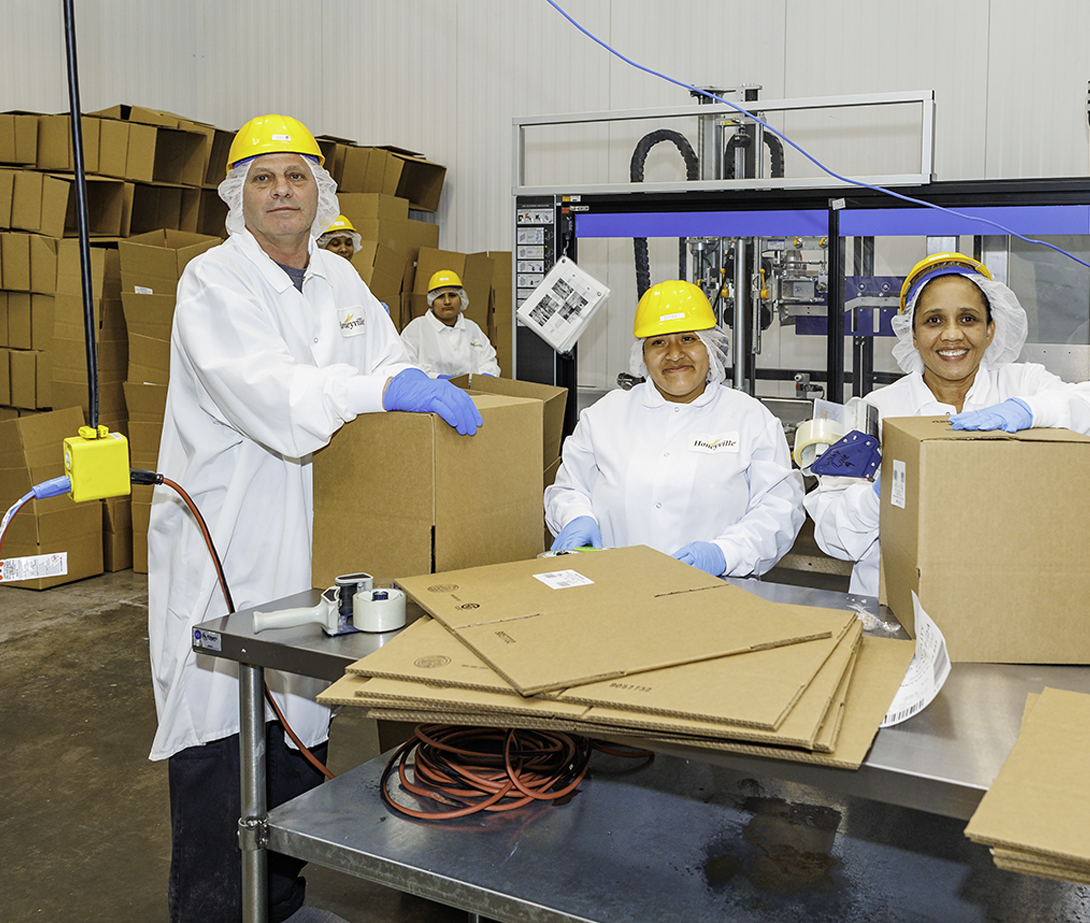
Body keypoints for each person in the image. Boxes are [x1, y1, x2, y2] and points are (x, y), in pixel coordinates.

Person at [146, 113, 482, 923]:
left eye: (295, 175)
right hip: (232, 537)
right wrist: (381, 389)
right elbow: (275, 396)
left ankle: (281, 900)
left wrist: (406, 383)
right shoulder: (213, 282)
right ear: (239, 196)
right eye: (262, 178)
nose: (281, 191)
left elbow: (388, 361)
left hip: (321, 532)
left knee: (301, 723)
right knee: (221, 735)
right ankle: (216, 912)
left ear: (318, 191)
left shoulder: (339, 282)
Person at [806, 252, 1090, 597]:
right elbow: (833, 538)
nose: (952, 334)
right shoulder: (877, 412)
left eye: (968, 319)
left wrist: (1030, 411)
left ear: (990, 330)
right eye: (934, 321)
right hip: (893, 605)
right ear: (913, 334)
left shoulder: (1023, 385)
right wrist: (881, 495)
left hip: (1004, 600)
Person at [544, 280, 803, 576]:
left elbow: (779, 508)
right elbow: (569, 489)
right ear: (642, 355)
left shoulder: (750, 419)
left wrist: (726, 554)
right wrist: (575, 517)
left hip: (716, 590)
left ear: (711, 346)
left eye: (688, 339)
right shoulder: (604, 416)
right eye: (659, 342)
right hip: (615, 586)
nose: (675, 354)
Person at [399, 269, 500, 377]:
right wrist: (435, 377)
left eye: (452, 295)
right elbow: (406, 365)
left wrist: (486, 376)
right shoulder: (416, 328)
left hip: (471, 388)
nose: (447, 302)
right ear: (432, 301)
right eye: (440, 296)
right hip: (431, 387)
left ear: (461, 299)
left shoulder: (472, 328)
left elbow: (489, 361)